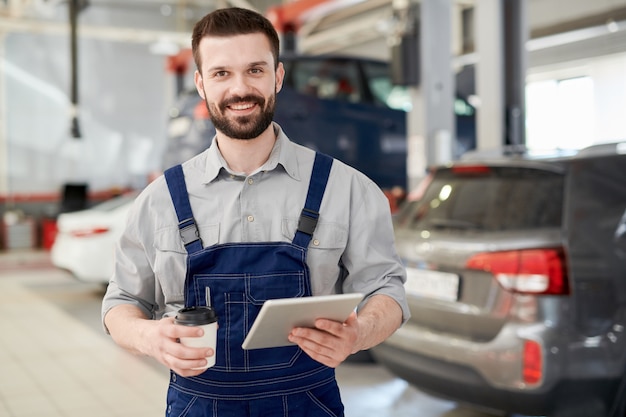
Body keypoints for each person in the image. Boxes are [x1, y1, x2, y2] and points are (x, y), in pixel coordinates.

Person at [102, 7, 409, 417]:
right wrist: (148, 336)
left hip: (308, 404)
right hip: (199, 405)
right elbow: (121, 301)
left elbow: (387, 288)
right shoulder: (159, 201)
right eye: (221, 73)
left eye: (255, 70)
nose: (240, 89)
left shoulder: (347, 189)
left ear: (277, 77)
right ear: (201, 84)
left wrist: (359, 333)